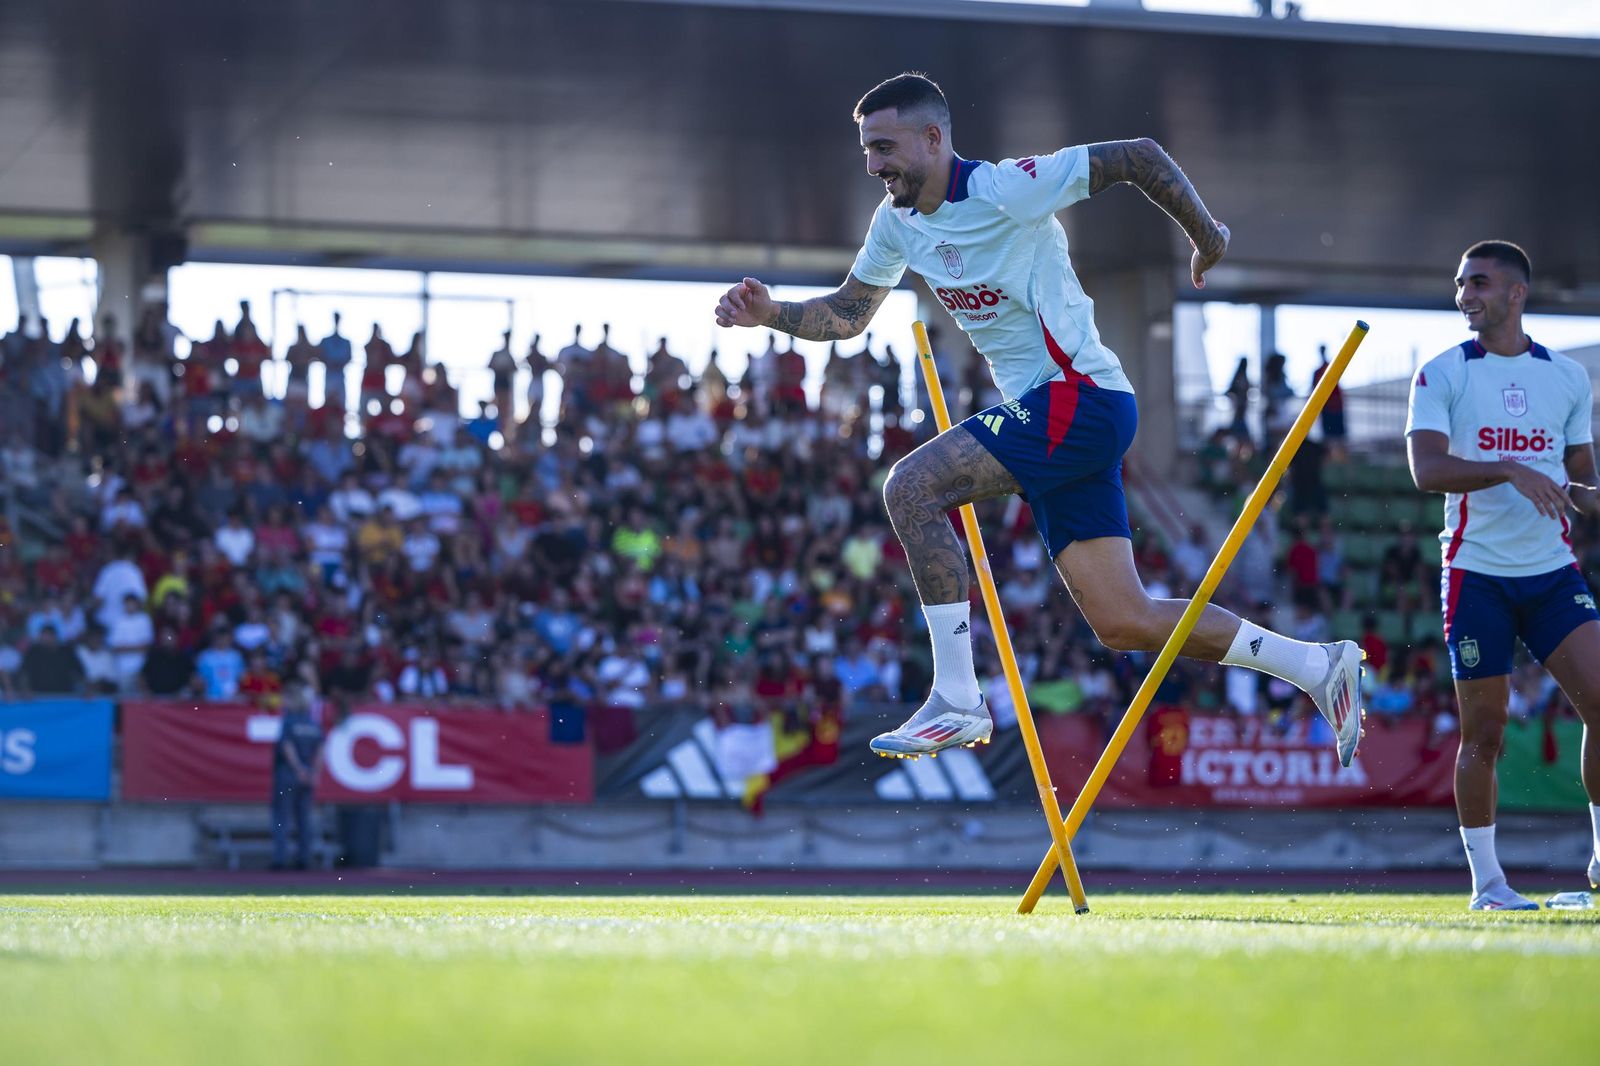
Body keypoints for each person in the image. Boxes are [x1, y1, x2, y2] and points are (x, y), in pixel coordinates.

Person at [713, 72, 1364, 764]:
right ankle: (1317, 666)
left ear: (935, 139)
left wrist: (1206, 238)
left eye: (885, 147)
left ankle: (958, 697)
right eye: (867, 151)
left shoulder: (1005, 188)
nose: (873, 165)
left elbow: (1138, 154)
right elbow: (847, 313)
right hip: (1055, 415)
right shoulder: (895, 225)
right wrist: (771, 314)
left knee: (909, 487)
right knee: (1125, 621)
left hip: (1081, 398)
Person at [1406, 239, 1600, 910]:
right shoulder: (1441, 373)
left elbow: (1581, 481)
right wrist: (1512, 470)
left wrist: (1586, 495)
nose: (1465, 295)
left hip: (1552, 573)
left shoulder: (1569, 379)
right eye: (1461, 284)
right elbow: (1426, 471)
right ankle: (1489, 886)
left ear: (1517, 293)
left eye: (1479, 283)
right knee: (1483, 736)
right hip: (1475, 575)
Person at [271, 677, 325, 871]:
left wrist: (298, 769)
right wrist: (314, 772)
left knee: (281, 818)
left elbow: (287, 747)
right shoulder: (313, 723)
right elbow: (320, 750)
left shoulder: (288, 722)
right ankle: (304, 858)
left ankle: (280, 858)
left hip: (288, 774)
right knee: (304, 819)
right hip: (308, 775)